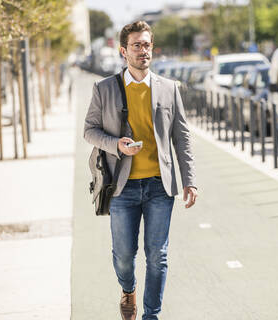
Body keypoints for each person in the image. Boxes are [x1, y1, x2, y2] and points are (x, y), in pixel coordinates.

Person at [83, 21, 197, 320]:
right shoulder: (104, 88)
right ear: (124, 51)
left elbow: (181, 137)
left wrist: (190, 180)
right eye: (136, 45)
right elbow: (89, 131)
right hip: (122, 188)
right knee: (124, 257)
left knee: (157, 257)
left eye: (147, 44)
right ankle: (128, 288)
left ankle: (151, 315)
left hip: (160, 186)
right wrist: (115, 145)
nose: (143, 50)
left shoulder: (169, 88)